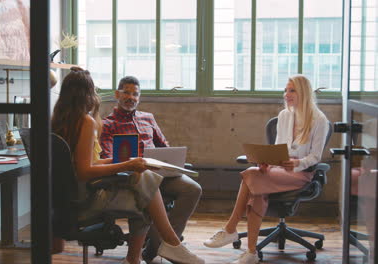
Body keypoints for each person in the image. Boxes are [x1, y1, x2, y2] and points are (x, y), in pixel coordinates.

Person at [51, 67, 204, 264]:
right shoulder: (87, 122)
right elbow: (84, 170)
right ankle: (166, 247)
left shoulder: (59, 120)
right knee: (144, 195)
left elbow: (86, 162)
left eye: (135, 94)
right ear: (87, 94)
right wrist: (128, 164)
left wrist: (126, 163)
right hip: (87, 196)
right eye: (94, 91)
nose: (96, 96)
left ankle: (149, 253)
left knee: (152, 184)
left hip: (71, 194)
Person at [203, 74, 329, 264]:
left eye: (292, 90)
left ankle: (230, 229)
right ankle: (251, 252)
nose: (286, 94)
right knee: (257, 190)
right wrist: (267, 162)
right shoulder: (284, 115)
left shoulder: (319, 120)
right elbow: (278, 149)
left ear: (304, 92)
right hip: (278, 170)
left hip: (300, 173)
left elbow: (316, 157)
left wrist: (297, 163)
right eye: (285, 90)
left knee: (252, 175)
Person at [100, 76, 202, 263]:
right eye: (127, 92)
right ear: (117, 94)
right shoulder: (107, 124)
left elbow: (164, 146)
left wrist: (170, 160)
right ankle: (162, 248)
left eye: (135, 94)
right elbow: (108, 158)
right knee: (150, 194)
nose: (131, 97)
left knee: (193, 189)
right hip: (134, 178)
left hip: (161, 173)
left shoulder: (148, 118)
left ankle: (157, 247)